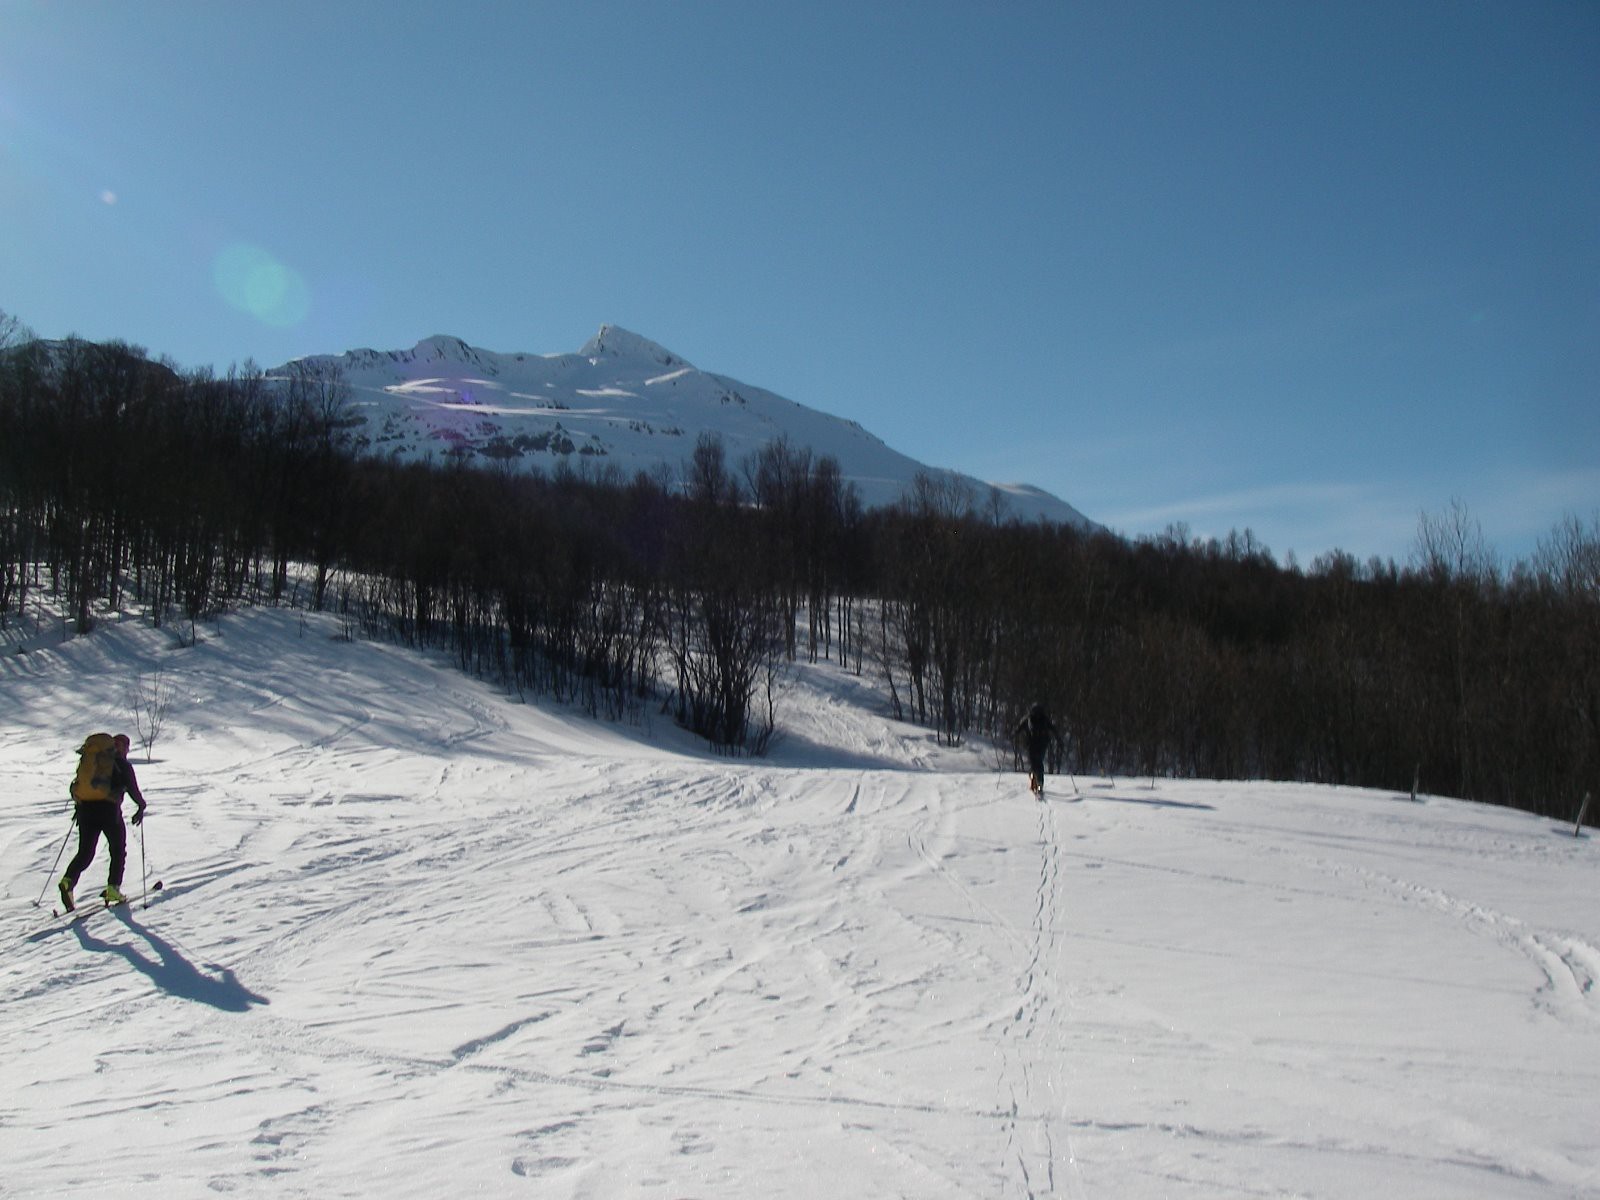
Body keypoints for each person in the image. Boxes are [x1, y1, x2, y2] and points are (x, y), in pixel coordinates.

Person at [59, 733, 147, 910]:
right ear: (123, 747)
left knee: (85, 852)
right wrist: (141, 806)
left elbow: (77, 784)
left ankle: (68, 881)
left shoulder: (93, 762)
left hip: (85, 810)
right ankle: (113, 888)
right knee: (117, 849)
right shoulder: (122, 764)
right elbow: (132, 789)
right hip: (109, 812)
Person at [1014, 703, 1058, 797]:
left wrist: (1014, 734)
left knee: (1034, 763)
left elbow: (1019, 728)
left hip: (1031, 744)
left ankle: (1034, 781)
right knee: (1038, 762)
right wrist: (1059, 740)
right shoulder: (1044, 719)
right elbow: (1053, 729)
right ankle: (1039, 783)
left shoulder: (1028, 718)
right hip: (1042, 744)